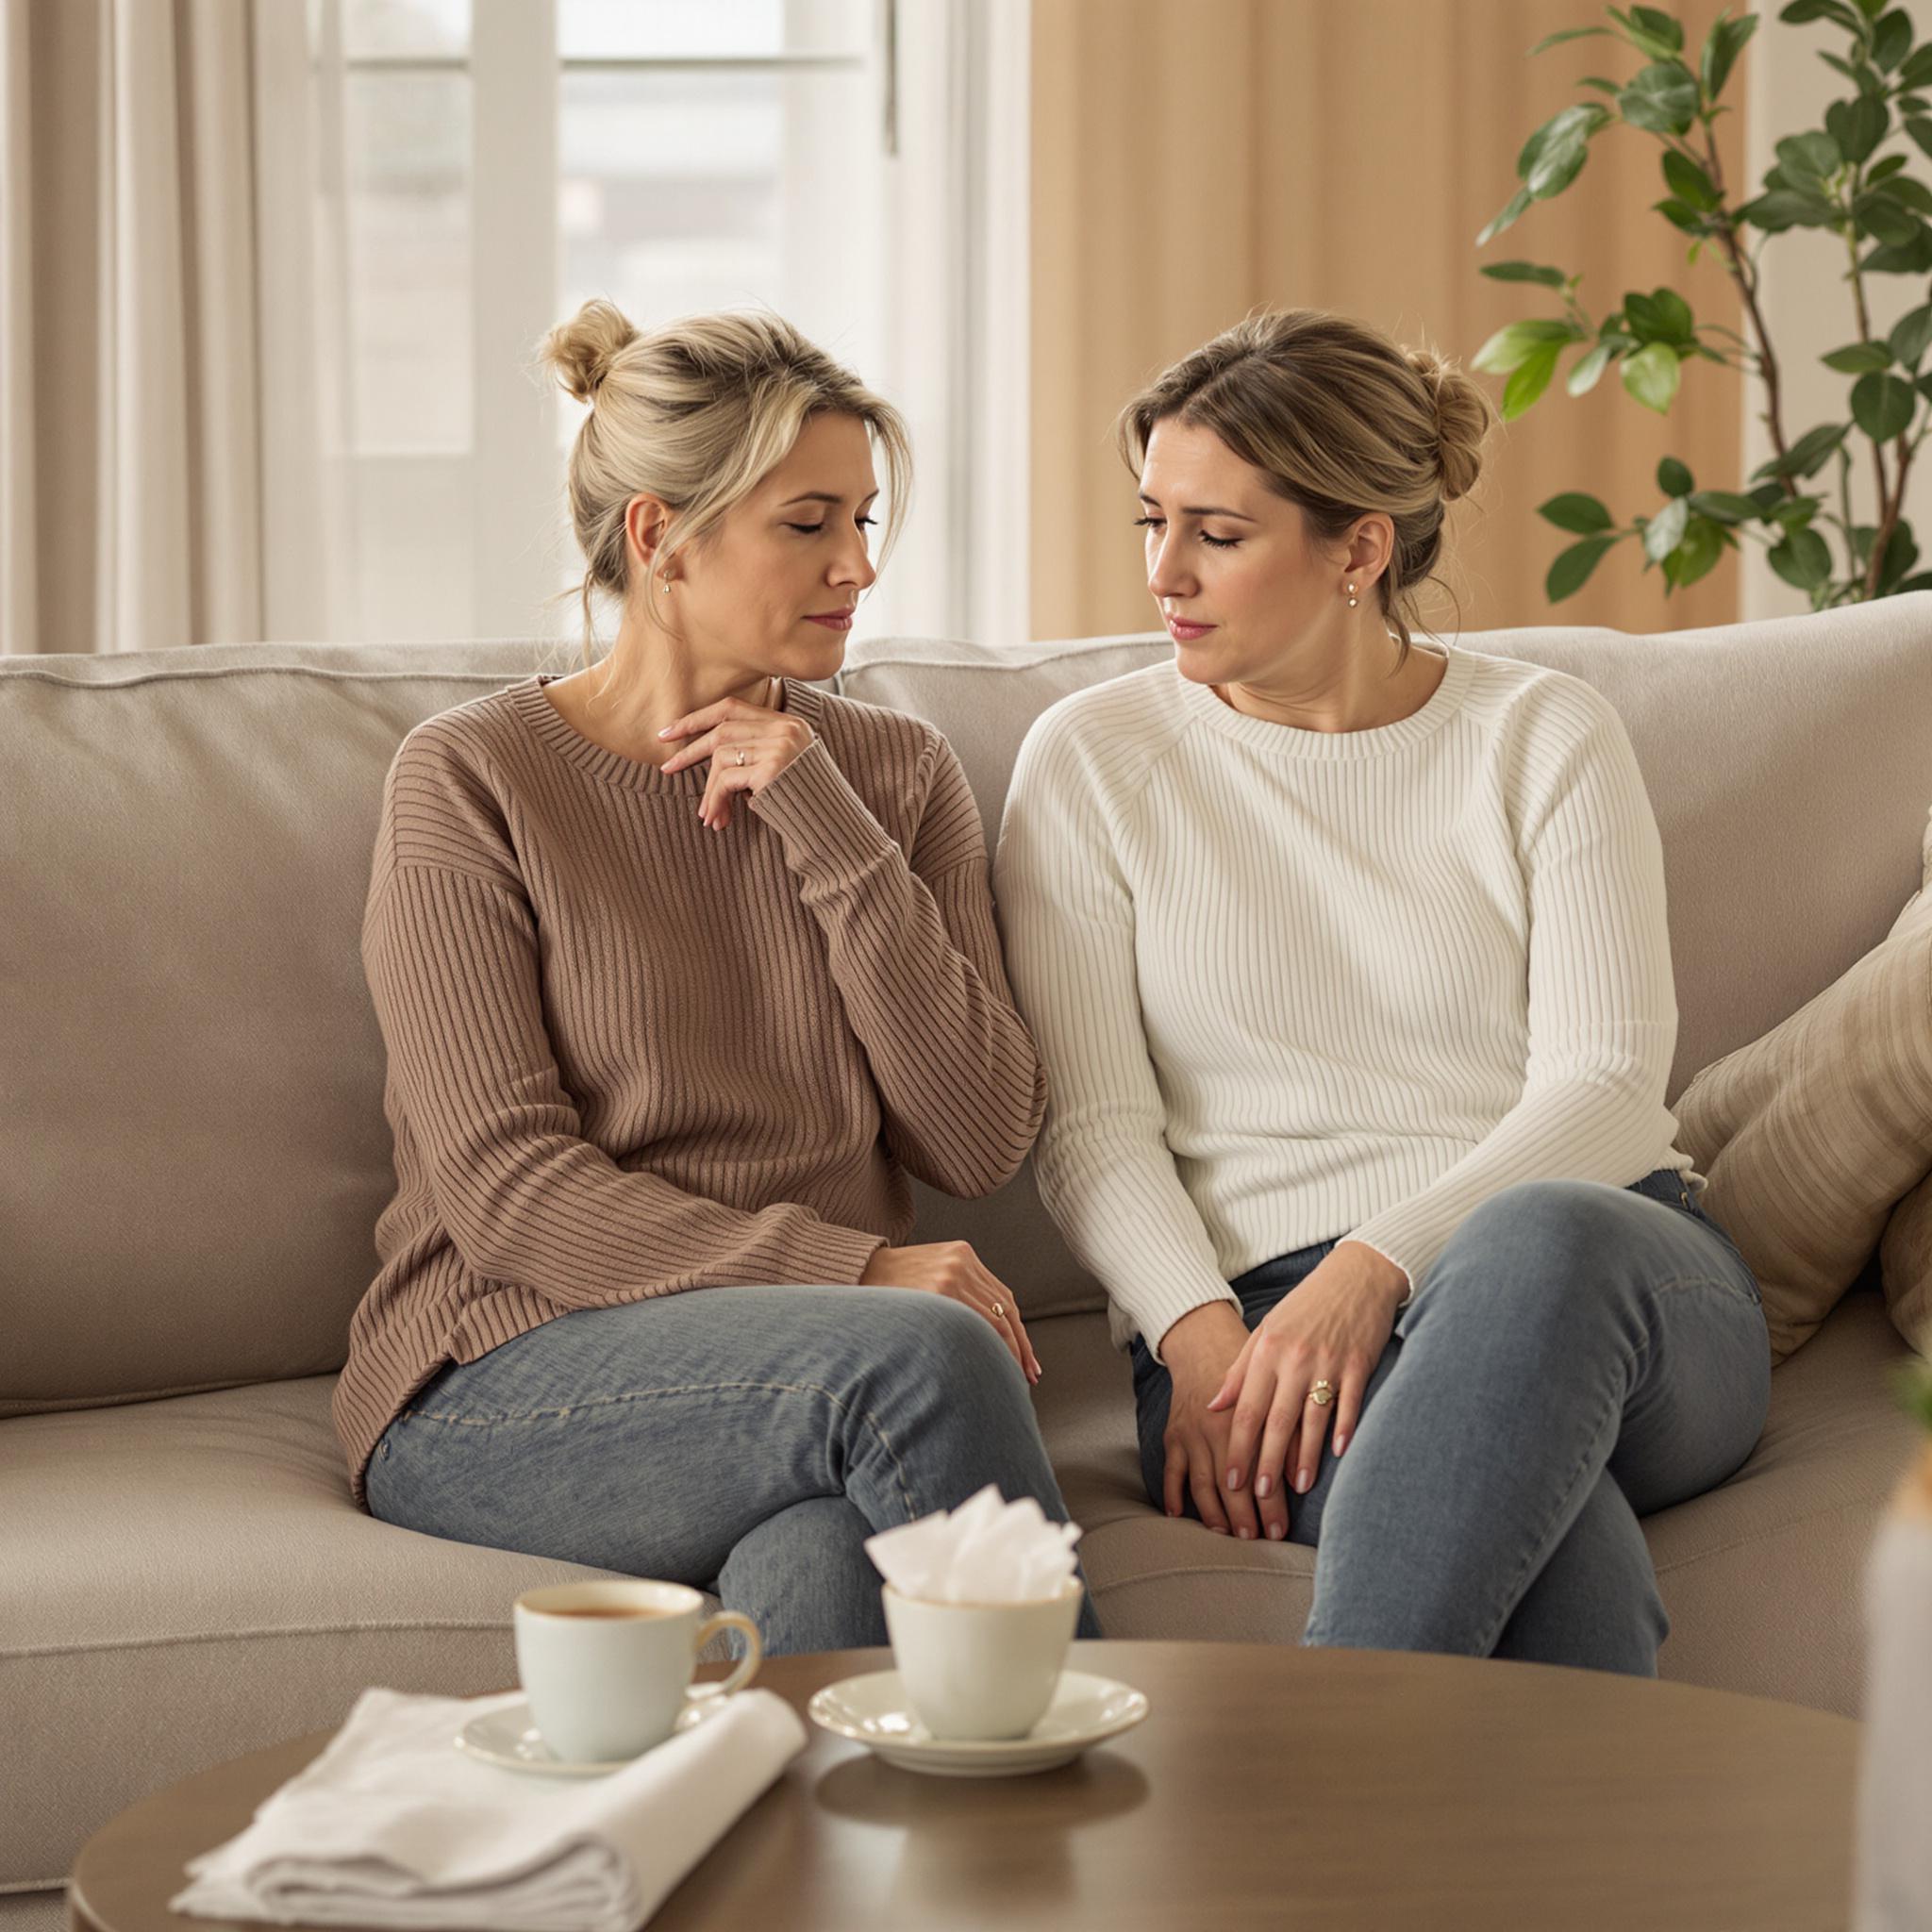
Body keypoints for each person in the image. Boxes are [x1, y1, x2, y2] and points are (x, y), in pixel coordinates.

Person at [992, 308, 1767, 1675]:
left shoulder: (1541, 736)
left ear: (1359, 548)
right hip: (1253, 1320)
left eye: (1217, 534)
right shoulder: (1093, 761)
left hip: (1610, 1284)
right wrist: (1198, 1330)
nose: (1163, 573)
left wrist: (1376, 1263)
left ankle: (1318, 1819)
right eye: (1149, 522)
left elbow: (1603, 1085)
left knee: (1538, 1240)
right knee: (1563, 1563)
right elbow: (1093, 1129)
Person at [336, 300, 1102, 1653]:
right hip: (507, 1373)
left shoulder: (894, 776)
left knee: (823, 1563)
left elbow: (979, 1137)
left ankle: (805, 1855)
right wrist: (852, 1272)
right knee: (924, 1359)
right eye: (808, 524)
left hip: (810, 1376)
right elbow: (508, 1194)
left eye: (865, 521)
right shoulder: (471, 779)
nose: (855, 566)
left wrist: (830, 828)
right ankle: (1131, 1812)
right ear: (658, 536)